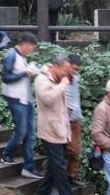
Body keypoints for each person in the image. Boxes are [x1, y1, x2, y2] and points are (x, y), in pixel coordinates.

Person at [0, 32, 43, 179]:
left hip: (26, 99)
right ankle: (6, 154)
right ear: (25, 45)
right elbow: (6, 78)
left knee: (30, 134)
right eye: (32, 48)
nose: (32, 51)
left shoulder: (22, 56)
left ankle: (28, 167)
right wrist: (26, 73)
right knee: (21, 132)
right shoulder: (11, 55)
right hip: (16, 99)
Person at [34, 54, 74, 195]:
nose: (66, 74)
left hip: (61, 130)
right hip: (50, 131)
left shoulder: (58, 79)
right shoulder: (41, 79)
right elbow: (48, 98)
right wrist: (63, 84)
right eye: (65, 71)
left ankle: (42, 192)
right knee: (59, 166)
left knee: (53, 167)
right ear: (55, 67)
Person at [65, 54, 84, 188]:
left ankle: (71, 176)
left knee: (76, 151)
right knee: (69, 150)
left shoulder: (76, 80)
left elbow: (76, 99)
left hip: (76, 119)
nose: (75, 71)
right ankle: (57, 174)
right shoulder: (61, 79)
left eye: (77, 69)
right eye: (73, 68)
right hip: (64, 120)